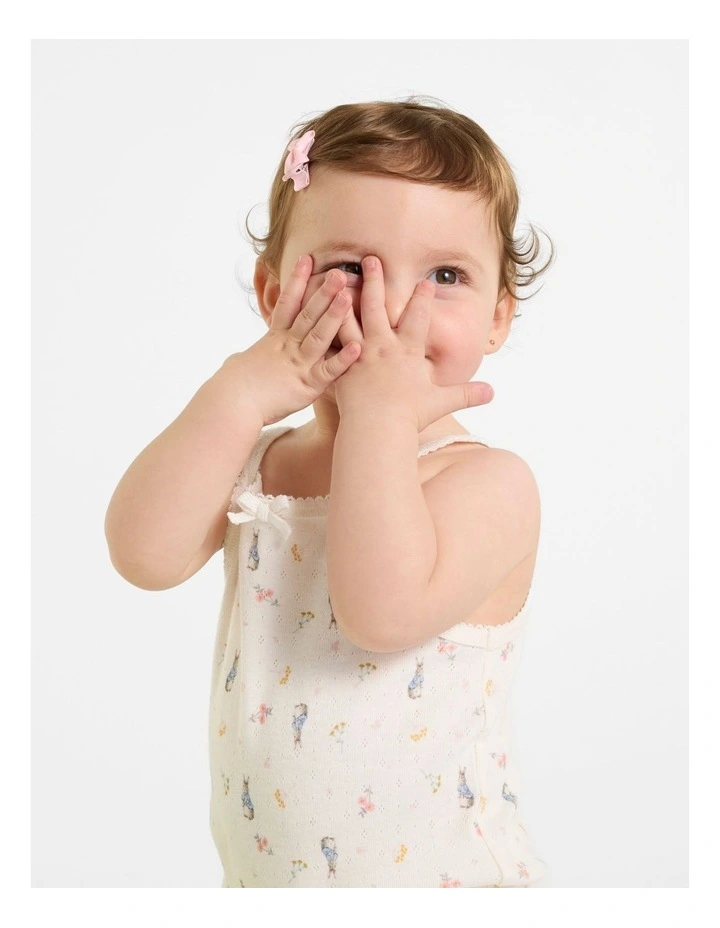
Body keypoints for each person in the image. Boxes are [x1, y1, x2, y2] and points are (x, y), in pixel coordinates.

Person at [104, 96, 556, 888]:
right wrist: (238, 397)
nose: (393, 309)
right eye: (352, 267)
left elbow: (380, 615)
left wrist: (380, 414)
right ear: (274, 291)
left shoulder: (487, 484)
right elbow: (143, 555)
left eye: (445, 275)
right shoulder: (260, 462)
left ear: (498, 319)